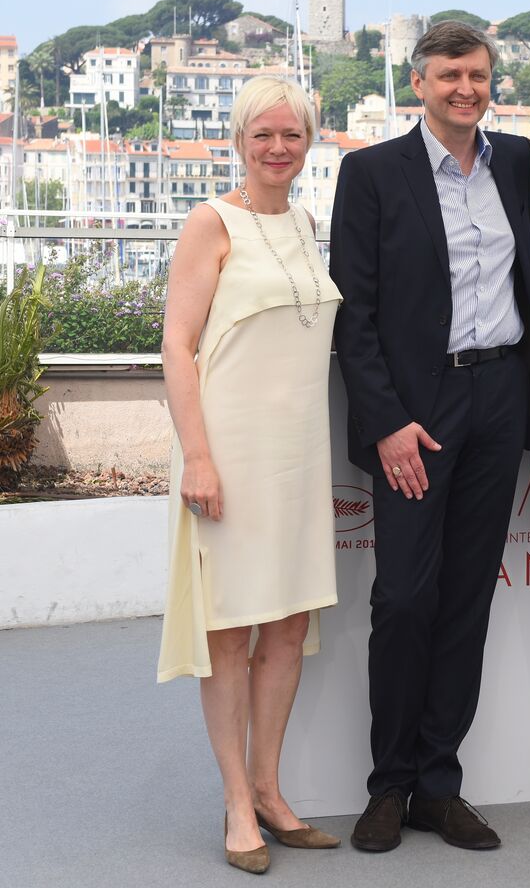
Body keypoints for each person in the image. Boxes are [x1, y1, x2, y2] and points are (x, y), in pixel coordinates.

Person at [330, 20, 530, 853]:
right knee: (404, 599)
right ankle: (387, 786)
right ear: (419, 83)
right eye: (451, 74)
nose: (467, 88)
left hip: (500, 399)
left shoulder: (519, 161)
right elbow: (354, 313)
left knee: (466, 599)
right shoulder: (372, 173)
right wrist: (388, 421)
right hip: (415, 414)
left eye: (480, 74)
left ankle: (437, 783)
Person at [157, 76, 343, 873]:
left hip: (299, 455)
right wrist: (198, 455)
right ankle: (237, 804)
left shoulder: (304, 220)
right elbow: (176, 346)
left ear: (308, 143)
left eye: (291, 136)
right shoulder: (211, 221)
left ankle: (271, 790)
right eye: (263, 135)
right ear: (239, 139)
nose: (277, 148)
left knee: (289, 629)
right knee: (229, 632)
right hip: (228, 452)